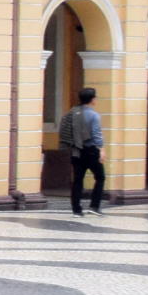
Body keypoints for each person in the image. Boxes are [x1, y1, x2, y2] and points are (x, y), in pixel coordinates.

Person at [56, 86, 104, 217]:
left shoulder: (73, 112)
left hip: (76, 150)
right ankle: (94, 206)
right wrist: (101, 149)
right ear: (92, 99)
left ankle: (76, 210)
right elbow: (96, 135)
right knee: (100, 177)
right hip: (91, 150)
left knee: (78, 180)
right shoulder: (94, 115)